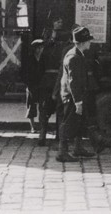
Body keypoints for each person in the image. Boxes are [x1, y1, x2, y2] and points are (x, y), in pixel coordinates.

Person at [56, 26, 99, 162]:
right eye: (88, 41)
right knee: (68, 123)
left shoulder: (78, 54)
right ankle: (62, 152)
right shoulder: (74, 57)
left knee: (79, 123)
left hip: (77, 95)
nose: (90, 43)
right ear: (81, 42)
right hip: (72, 97)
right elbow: (73, 82)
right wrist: (78, 102)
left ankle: (78, 148)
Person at [38, 17, 69, 146]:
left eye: (61, 22)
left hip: (59, 79)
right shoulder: (46, 45)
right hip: (49, 80)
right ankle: (43, 133)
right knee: (45, 108)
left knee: (60, 109)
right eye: (57, 22)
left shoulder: (65, 45)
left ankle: (58, 135)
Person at [23, 39, 46, 134]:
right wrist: (28, 84)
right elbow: (25, 73)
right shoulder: (30, 59)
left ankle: (42, 126)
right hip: (32, 85)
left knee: (43, 106)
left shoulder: (44, 59)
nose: (40, 50)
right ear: (34, 49)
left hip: (42, 85)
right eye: (38, 48)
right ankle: (32, 126)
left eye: (41, 48)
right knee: (31, 106)